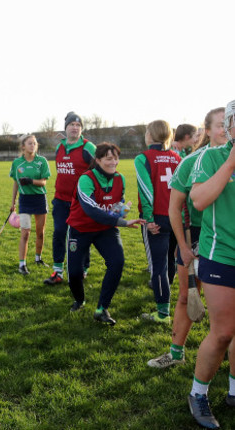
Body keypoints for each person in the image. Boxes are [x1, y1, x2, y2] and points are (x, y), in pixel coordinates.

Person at [148, 107, 227, 369]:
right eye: (221, 125)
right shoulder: (192, 161)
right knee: (187, 296)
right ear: (207, 130)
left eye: (230, 123)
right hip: (197, 240)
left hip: (230, 244)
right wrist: (182, 246)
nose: (226, 130)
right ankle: (176, 352)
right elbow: (174, 208)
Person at [186, 100, 235, 429]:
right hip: (221, 254)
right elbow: (199, 200)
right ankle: (198, 394)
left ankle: (234, 389)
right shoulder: (211, 157)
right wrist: (232, 161)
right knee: (222, 333)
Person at [65, 142, 145, 323]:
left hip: (105, 230)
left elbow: (115, 206)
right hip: (81, 229)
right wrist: (122, 221)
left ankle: (102, 309)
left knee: (117, 262)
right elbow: (91, 209)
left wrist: (121, 210)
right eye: (109, 158)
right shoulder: (86, 179)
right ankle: (79, 300)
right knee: (75, 272)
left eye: (116, 158)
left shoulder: (120, 179)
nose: (113, 162)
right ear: (98, 160)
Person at [135, 120, 182, 323]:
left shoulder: (143, 158)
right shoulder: (177, 157)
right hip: (176, 216)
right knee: (169, 260)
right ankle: (167, 298)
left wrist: (149, 219)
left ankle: (163, 313)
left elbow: (146, 191)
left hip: (157, 218)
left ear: (151, 135)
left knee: (158, 266)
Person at [44, 112, 96, 285]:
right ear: (65, 127)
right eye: (71, 125)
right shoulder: (60, 147)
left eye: (78, 125)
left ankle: (83, 268)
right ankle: (57, 271)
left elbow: (99, 171)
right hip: (60, 199)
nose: (75, 128)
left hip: (80, 202)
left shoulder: (88, 148)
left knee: (81, 235)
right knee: (59, 232)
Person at [9, 134, 51, 275]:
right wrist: (13, 202)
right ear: (23, 146)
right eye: (30, 143)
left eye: (35, 143)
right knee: (25, 233)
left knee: (40, 233)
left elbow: (44, 182)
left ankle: (38, 258)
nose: (33, 145)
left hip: (39, 199)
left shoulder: (42, 161)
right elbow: (15, 183)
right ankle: (22, 264)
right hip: (25, 200)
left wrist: (31, 181)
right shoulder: (17, 163)